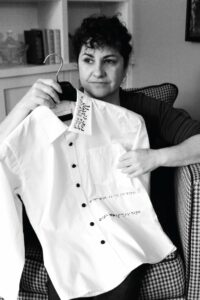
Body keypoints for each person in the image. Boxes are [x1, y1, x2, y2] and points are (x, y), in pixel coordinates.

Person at [1, 14, 200, 300]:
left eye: (109, 61)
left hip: (125, 227)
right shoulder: (48, 109)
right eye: (88, 60)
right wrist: (22, 107)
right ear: (77, 64)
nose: (97, 71)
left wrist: (156, 157)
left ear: (125, 67)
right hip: (64, 229)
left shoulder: (142, 114)